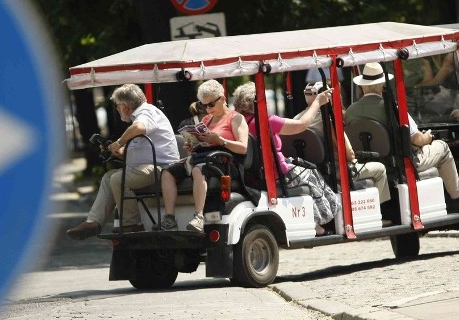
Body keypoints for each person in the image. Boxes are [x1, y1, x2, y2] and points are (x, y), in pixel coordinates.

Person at [345, 62, 459, 212]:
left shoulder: (350, 111)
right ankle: (457, 198)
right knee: (443, 147)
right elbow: (416, 139)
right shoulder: (392, 108)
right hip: (402, 163)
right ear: (382, 84)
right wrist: (428, 137)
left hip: (370, 162)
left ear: (363, 86)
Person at [67, 84, 180, 240]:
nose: (117, 110)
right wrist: (114, 150)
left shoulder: (146, 113)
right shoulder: (137, 120)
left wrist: (119, 142)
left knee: (118, 179)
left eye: (117, 106)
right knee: (108, 178)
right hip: (147, 168)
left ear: (125, 106)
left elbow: (140, 127)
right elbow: (133, 154)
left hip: (164, 170)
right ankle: (94, 222)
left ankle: (132, 224)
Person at [232, 81, 339, 236]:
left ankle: (316, 222)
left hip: (255, 173)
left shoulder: (240, 122)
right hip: (278, 173)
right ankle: (325, 220)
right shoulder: (266, 121)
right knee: (313, 171)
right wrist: (318, 102)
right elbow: (301, 125)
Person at [160, 80, 248, 233]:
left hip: (224, 160)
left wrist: (221, 140)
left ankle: (199, 217)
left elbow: (243, 148)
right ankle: (169, 218)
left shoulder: (236, 118)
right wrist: (192, 146)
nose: (208, 109)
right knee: (167, 172)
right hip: (203, 157)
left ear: (222, 99)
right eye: (204, 105)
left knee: (197, 170)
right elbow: (202, 143)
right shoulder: (207, 119)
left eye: (211, 105)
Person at [296, 82, 391, 205]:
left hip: (315, 173)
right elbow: (350, 155)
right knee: (380, 169)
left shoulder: (296, 120)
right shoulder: (329, 122)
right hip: (340, 173)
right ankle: (381, 213)